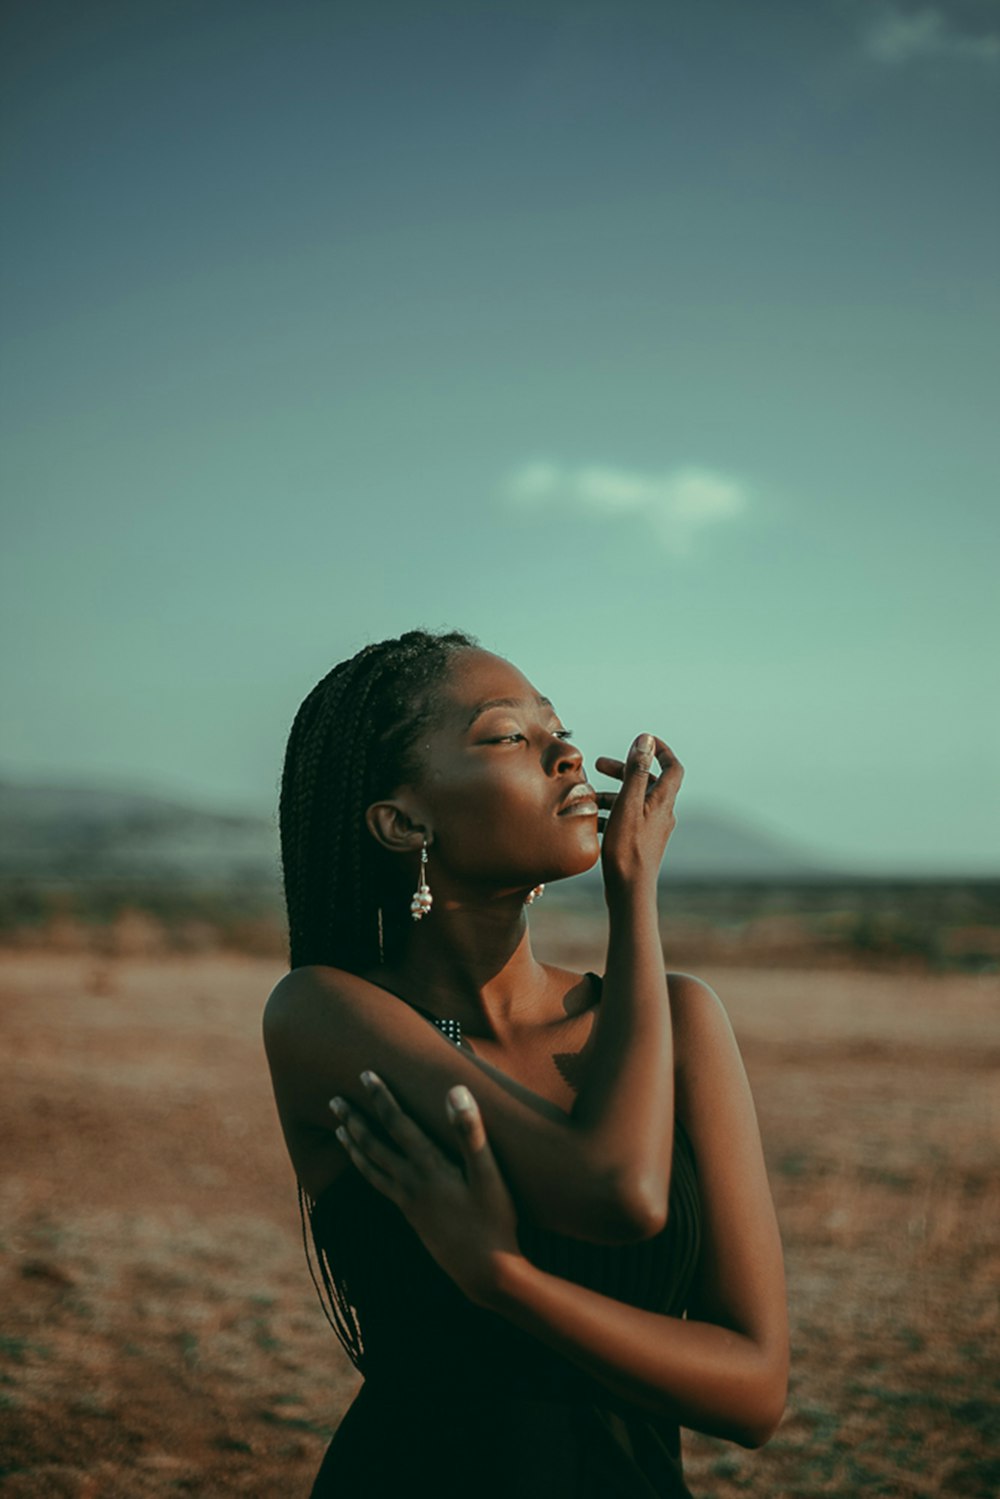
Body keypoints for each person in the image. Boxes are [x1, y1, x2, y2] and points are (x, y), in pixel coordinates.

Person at [263, 628, 788, 1498]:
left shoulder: (681, 1020)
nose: (569, 752)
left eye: (560, 728)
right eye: (509, 735)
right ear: (402, 822)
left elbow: (755, 1392)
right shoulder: (327, 1014)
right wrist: (634, 894)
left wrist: (505, 1280)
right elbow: (617, 1189)